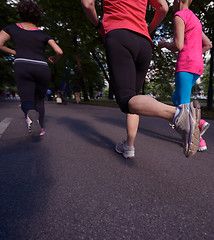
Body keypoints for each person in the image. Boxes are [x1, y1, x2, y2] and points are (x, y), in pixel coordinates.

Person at [81, 0, 202, 158]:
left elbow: (87, 3)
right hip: (143, 42)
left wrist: (98, 26)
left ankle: (178, 115)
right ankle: (128, 146)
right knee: (133, 99)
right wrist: (149, 29)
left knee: (126, 99)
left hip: (119, 34)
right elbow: (163, 7)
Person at [0, 0, 63, 136]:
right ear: (37, 16)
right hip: (42, 67)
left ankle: (30, 113)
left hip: (22, 65)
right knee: (39, 100)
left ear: (21, 13)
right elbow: (59, 51)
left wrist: (15, 52)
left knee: (27, 100)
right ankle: (40, 128)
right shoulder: (43, 34)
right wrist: (54, 59)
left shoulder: (11, 28)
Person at [158, 0, 212, 151]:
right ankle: (198, 123)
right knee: (176, 99)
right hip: (197, 65)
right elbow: (208, 44)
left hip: (186, 65)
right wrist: (195, 54)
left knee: (183, 104)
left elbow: (178, 45)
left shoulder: (179, 16)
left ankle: (198, 138)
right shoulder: (195, 19)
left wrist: (163, 44)